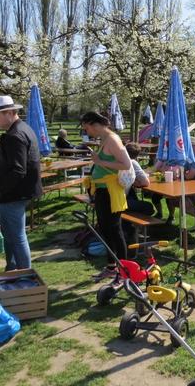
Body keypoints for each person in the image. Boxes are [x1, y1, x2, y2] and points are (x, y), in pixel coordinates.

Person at [0, 96, 42, 271]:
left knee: (17, 236)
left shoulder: (16, 134)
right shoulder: (20, 129)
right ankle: (12, 269)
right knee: (10, 234)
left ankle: (24, 276)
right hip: (17, 191)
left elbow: (17, 171)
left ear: (10, 112)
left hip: (15, 193)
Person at [80, 111, 132, 281]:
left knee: (115, 231)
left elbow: (125, 164)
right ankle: (111, 267)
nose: (86, 132)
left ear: (94, 124)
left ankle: (124, 272)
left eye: (86, 128)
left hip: (111, 192)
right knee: (106, 231)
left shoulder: (112, 139)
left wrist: (100, 161)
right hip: (103, 191)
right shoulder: (105, 139)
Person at [160, 136, 195, 229]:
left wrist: (182, 173)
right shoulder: (190, 157)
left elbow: (189, 176)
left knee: (183, 200)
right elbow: (181, 172)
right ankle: (171, 217)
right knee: (170, 197)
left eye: (188, 146)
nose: (185, 148)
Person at [122, 143, 154, 249]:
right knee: (148, 207)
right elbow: (146, 182)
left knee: (133, 197)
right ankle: (134, 230)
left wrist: (133, 181)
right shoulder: (132, 162)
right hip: (119, 201)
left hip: (106, 198)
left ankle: (130, 228)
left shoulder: (118, 160)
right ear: (137, 155)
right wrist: (137, 182)